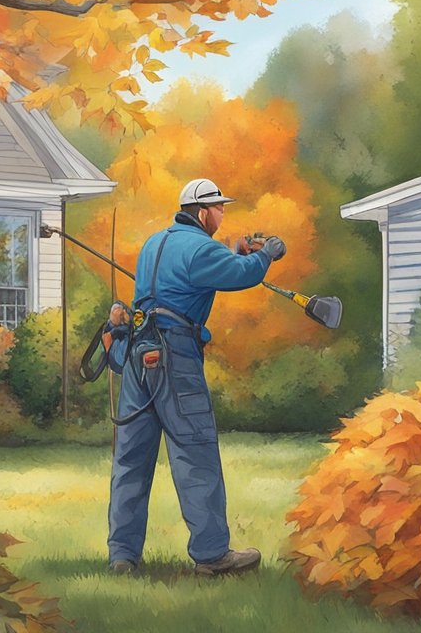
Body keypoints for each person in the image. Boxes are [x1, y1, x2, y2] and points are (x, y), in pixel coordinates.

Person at [106, 177, 286, 577]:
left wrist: (235, 251)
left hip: (138, 357)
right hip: (176, 357)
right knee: (195, 453)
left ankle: (122, 555)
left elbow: (196, 269)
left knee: (131, 459)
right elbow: (241, 275)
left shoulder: (155, 243)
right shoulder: (201, 248)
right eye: (220, 208)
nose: (223, 214)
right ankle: (211, 555)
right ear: (203, 212)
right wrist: (265, 254)